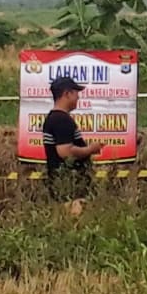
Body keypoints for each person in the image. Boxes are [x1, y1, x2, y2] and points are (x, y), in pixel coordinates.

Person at [42, 75, 105, 212]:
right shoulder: (61, 120)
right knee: (75, 224)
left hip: (64, 184)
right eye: (76, 93)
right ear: (67, 94)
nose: (78, 97)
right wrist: (90, 149)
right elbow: (65, 151)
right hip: (70, 186)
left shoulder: (54, 118)